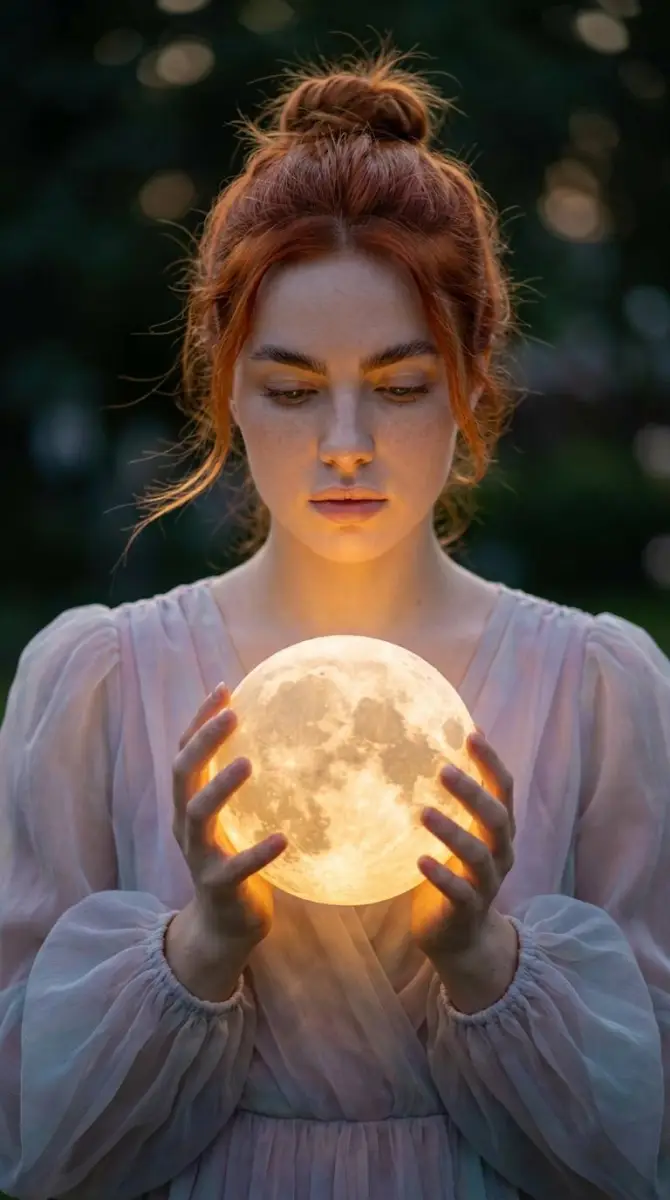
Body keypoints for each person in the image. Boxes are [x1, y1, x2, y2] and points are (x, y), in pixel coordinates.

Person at [0, 49, 668, 1200]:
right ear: (226, 389)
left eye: (402, 385)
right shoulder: (100, 681)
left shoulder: (600, 688)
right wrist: (201, 944)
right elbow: (36, 1149)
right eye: (294, 388)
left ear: (471, 383)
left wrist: (483, 960)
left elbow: (640, 1147)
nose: (346, 440)